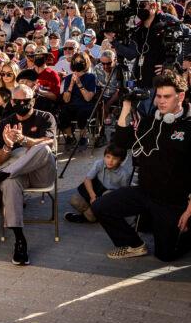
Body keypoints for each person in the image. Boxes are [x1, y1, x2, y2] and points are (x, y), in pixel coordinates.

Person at [91, 72, 191, 261]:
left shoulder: (189, 126)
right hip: (145, 192)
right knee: (101, 206)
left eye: (167, 97)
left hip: (173, 201)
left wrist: (190, 209)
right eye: (158, 96)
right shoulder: (151, 121)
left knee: (166, 256)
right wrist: (127, 105)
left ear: (181, 96)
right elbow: (121, 141)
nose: (161, 101)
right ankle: (135, 245)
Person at [0, 85, 57, 265]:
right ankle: (19, 240)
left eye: (26, 101)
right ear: (11, 101)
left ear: (33, 100)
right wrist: (7, 145)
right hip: (17, 174)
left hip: (41, 174)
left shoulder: (45, 117)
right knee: (9, 183)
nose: (22, 104)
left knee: (43, 148)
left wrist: (22, 140)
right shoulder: (5, 122)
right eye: (17, 101)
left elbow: (51, 143)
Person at [65, 144, 131, 223]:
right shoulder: (99, 163)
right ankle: (95, 214)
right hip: (96, 192)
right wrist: (92, 196)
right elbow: (87, 179)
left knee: (107, 194)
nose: (110, 161)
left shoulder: (124, 174)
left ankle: (88, 217)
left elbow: (123, 194)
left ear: (121, 160)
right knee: (74, 200)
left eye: (115, 158)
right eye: (108, 157)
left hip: (109, 197)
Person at [60, 52, 97, 147]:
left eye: (81, 61)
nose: (78, 63)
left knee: (82, 111)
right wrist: (71, 84)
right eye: (75, 61)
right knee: (63, 111)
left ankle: (83, 136)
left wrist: (79, 84)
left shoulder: (91, 77)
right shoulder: (68, 78)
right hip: (72, 104)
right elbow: (66, 99)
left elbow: (88, 98)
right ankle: (70, 137)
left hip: (86, 105)